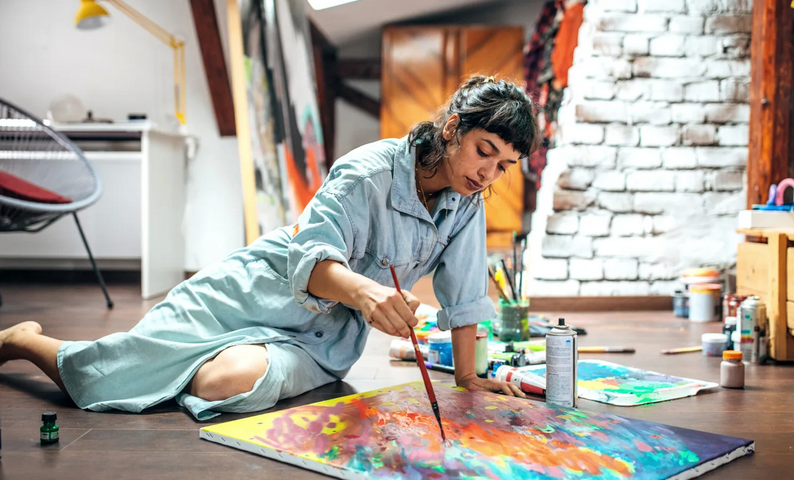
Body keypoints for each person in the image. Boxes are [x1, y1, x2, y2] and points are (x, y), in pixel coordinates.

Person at [0, 75, 540, 420]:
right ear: (451, 130)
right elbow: (313, 260)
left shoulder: (468, 205)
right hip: (251, 291)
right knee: (118, 372)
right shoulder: (367, 172)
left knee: (226, 384)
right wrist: (368, 294)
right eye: (483, 152)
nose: (486, 173)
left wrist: (468, 378)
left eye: (502, 167)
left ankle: (175, 368)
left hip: (320, 342)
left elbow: (466, 294)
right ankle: (26, 342)